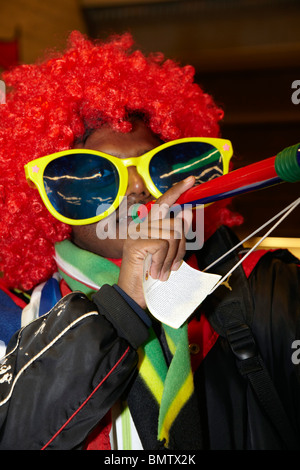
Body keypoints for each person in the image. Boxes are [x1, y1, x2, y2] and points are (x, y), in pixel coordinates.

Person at [0, 31, 299, 451]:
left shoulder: (256, 289)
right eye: (97, 175)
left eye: (157, 168)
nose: (138, 189)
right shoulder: (11, 317)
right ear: (46, 201)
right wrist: (122, 307)